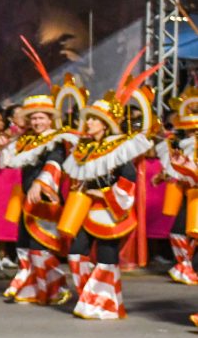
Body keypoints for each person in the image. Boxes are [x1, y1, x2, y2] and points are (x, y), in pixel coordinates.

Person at [63, 74, 154, 320]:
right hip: (87, 210)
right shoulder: (85, 147)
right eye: (89, 119)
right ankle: (89, 296)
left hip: (111, 210)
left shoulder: (119, 146)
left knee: (106, 257)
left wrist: (102, 193)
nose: (89, 123)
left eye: (94, 120)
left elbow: (128, 180)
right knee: (76, 253)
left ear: (105, 125)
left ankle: (106, 304)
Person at [0, 74, 72, 304]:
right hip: (26, 199)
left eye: (41, 118)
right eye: (35, 119)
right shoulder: (27, 140)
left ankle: (56, 289)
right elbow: (9, 161)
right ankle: (31, 288)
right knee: (23, 245)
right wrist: (5, 146)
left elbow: (55, 163)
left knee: (41, 246)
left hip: (45, 199)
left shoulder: (56, 140)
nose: (38, 122)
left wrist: (40, 184)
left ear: (50, 120)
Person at [156, 90, 198, 284]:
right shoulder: (184, 145)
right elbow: (179, 170)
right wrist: (162, 176)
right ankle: (187, 265)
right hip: (189, 195)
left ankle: (188, 266)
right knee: (179, 232)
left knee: (186, 232)